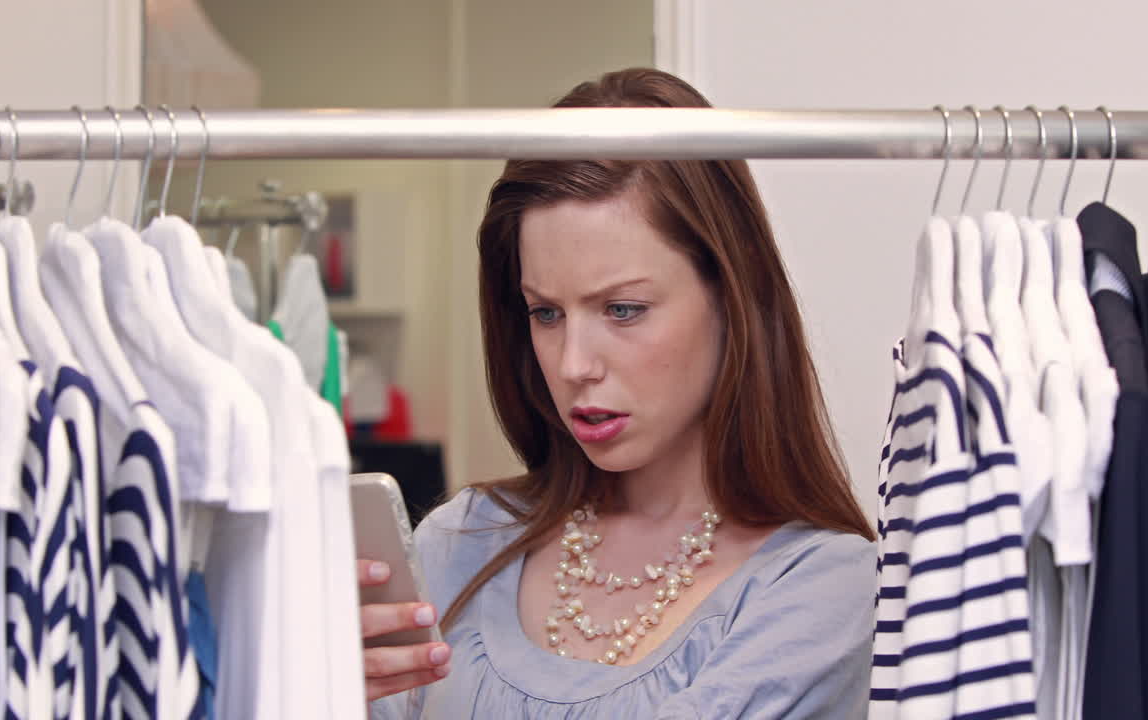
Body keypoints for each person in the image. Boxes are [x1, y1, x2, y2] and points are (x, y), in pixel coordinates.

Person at [362, 67, 876, 719]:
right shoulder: (461, 539)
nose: (573, 364)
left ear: (732, 297)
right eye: (546, 313)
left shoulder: (819, 586)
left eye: (623, 309)